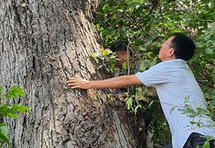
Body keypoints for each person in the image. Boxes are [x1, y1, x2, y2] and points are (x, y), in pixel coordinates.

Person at [67, 33, 215, 148]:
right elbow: (153, 92)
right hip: (194, 137)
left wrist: (89, 84)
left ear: (170, 51)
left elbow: (126, 80)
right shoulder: (182, 69)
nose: (161, 46)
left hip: (197, 138)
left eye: (164, 43)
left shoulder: (170, 67)